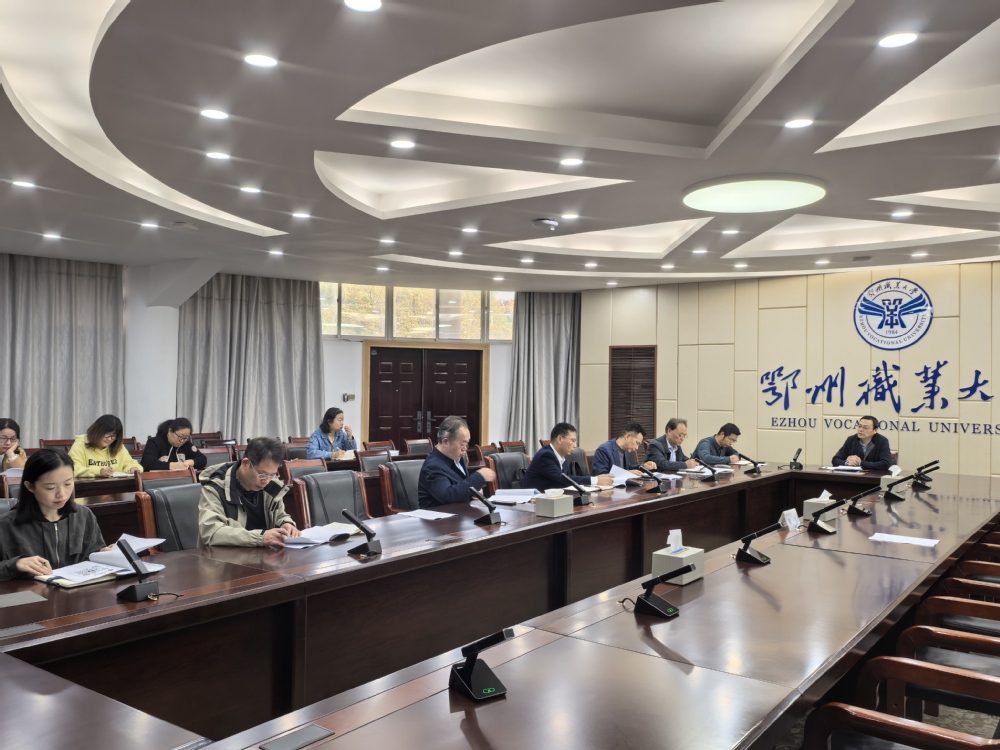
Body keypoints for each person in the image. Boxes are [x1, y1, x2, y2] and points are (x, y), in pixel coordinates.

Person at [0, 449, 110, 580]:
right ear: (30, 486)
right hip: (31, 592)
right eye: (50, 488)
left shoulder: (84, 516)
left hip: (78, 591)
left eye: (68, 483)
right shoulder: (6, 525)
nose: (62, 494)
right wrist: (15, 565)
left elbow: (94, 553)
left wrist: (106, 554)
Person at [198, 437, 302, 547]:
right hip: (225, 556)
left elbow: (280, 515)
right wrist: (259, 538)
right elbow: (212, 532)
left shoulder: (272, 486)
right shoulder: (214, 488)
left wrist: (286, 524)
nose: (266, 481)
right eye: (262, 474)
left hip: (264, 554)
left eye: (272, 475)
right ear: (245, 463)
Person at [418, 416, 496, 508]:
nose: (465, 449)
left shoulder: (456, 458)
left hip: (461, 513)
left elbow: (461, 487)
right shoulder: (433, 466)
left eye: (467, 444)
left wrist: (474, 491)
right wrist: (478, 478)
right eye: (462, 444)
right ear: (446, 442)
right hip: (439, 515)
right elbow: (448, 496)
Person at [521, 422, 612, 491]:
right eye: (573, 441)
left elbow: (566, 481)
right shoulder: (545, 456)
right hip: (534, 503)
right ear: (560, 439)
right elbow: (562, 480)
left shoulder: (562, 456)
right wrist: (595, 480)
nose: (575, 446)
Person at [69, 415, 142, 478]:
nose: (109, 439)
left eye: (113, 436)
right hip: (88, 488)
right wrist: (99, 471)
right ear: (97, 431)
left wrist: (133, 468)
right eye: (107, 434)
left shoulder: (119, 447)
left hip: (116, 486)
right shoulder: (79, 446)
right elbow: (73, 469)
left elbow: (131, 463)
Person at [140, 417, 207, 473]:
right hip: (159, 481)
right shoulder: (154, 442)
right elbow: (147, 463)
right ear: (170, 431)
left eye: (186, 438)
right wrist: (174, 466)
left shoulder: (186, 444)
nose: (182, 441)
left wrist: (189, 462)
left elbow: (203, 459)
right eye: (180, 437)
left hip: (182, 480)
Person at [590, 422, 657, 476]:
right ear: (628, 436)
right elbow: (601, 476)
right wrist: (627, 473)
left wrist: (643, 466)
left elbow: (628, 468)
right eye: (637, 443)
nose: (637, 448)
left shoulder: (624, 450)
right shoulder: (604, 450)